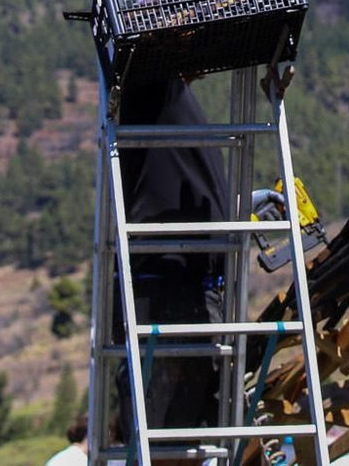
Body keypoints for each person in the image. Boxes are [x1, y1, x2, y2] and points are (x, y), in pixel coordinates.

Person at [113, 76, 231, 443]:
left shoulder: (168, 100)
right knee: (169, 432)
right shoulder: (155, 90)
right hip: (167, 280)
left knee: (184, 427)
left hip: (182, 278)